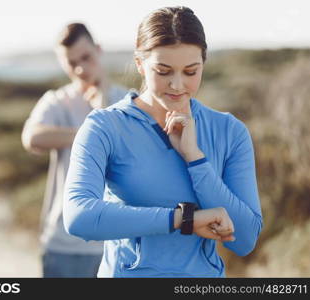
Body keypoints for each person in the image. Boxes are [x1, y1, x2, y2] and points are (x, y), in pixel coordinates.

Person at [63, 6, 263, 277]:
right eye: (163, 71)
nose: (177, 85)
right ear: (139, 64)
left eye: (191, 72)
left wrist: (196, 160)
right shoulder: (104, 127)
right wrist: (184, 220)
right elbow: (78, 217)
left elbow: (245, 239)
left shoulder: (229, 131)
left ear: (203, 63)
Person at [21, 23, 127, 278]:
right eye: (71, 62)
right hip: (64, 245)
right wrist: (90, 131)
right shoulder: (57, 101)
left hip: (119, 242)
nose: (80, 68)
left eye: (86, 57)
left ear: (99, 50)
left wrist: (101, 106)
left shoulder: (127, 101)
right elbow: (32, 138)